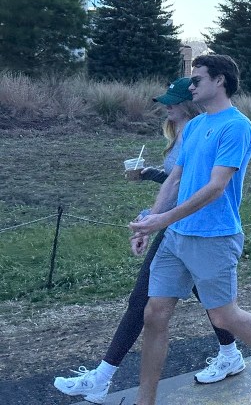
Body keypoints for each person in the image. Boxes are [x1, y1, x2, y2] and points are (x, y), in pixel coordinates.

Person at [53, 78, 241, 403]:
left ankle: (102, 378)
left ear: (188, 102)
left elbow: (195, 186)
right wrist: (150, 188)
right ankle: (230, 353)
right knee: (208, 301)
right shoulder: (183, 131)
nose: (166, 106)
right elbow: (175, 180)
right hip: (175, 226)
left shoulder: (199, 130)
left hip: (189, 227)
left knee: (144, 300)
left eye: (172, 101)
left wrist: (150, 221)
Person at [129, 55, 251, 405]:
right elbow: (175, 180)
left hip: (214, 237)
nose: (191, 86)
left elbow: (216, 186)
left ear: (219, 80)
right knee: (154, 314)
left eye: (197, 80)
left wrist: (163, 219)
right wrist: (149, 222)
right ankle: (145, 401)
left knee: (223, 315)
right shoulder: (194, 126)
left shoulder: (236, 126)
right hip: (176, 237)